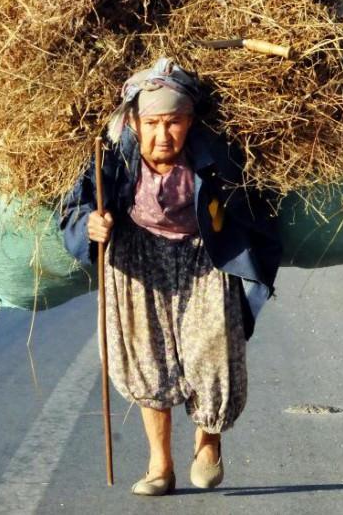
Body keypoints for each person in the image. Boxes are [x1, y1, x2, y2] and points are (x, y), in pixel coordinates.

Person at [58, 57, 282, 496]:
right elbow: (74, 208)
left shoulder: (215, 156)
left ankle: (208, 441)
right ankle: (160, 466)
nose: (164, 136)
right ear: (135, 123)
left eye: (175, 123)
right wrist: (91, 225)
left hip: (203, 256)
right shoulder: (113, 156)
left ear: (190, 121)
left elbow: (256, 204)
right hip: (138, 258)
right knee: (148, 358)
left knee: (211, 348)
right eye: (153, 123)